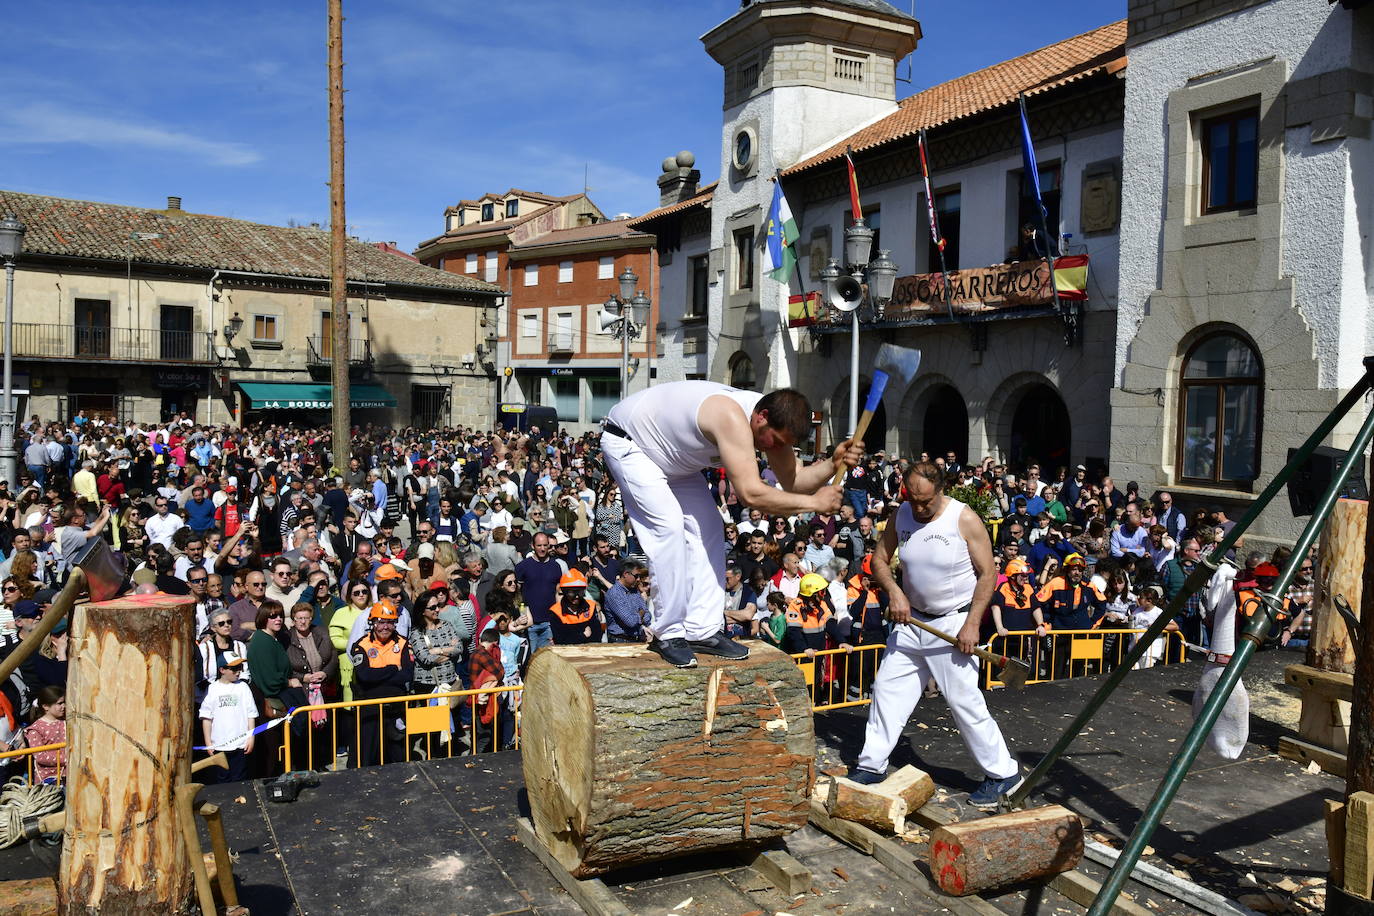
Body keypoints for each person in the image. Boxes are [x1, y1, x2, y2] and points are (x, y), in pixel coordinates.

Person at [601, 383, 858, 668]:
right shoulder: (730, 416)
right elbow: (750, 494)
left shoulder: (772, 425)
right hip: (632, 444)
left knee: (710, 528)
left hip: (675, 460)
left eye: (782, 444)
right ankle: (668, 634)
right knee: (668, 529)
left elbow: (793, 480)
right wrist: (814, 504)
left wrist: (832, 465)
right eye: (772, 440)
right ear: (761, 416)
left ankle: (702, 630)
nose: (772, 449)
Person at [849, 461, 1021, 809]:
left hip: (953, 623)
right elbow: (879, 560)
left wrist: (972, 623)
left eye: (925, 500)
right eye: (912, 499)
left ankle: (1004, 774)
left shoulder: (964, 518)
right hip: (911, 622)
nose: (919, 507)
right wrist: (895, 593)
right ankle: (871, 765)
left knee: (963, 701)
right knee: (887, 691)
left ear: (941, 489)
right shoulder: (901, 516)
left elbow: (988, 574)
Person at [349, 602, 414, 767]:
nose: (385, 627)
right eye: (381, 622)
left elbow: (407, 674)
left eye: (390, 622)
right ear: (372, 623)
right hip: (370, 710)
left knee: (399, 757)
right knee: (366, 758)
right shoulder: (361, 645)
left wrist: (378, 675)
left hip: (395, 709)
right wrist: (393, 669)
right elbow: (364, 676)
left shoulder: (403, 643)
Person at [197, 655, 255, 783]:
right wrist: (208, 742)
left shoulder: (243, 687)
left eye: (240, 667)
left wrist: (251, 737)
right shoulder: (212, 689)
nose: (238, 671)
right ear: (222, 670)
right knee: (222, 779)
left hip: (241, 744)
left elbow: (251, 714)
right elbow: (206, 717)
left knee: (239, 778)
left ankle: (240, 801)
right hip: (219, 745)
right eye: (234, 668)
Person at [24, 685, 67, 784]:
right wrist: (66, 758)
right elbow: (40, 756)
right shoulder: (35, 729)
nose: (63, 706)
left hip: (68, 775)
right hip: (49, 780)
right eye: (59, 703)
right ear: (46, 706)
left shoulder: (66, 722)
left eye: (64, 702)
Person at [548, 568, 603, 645]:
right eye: (572, 592)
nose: (577, 596)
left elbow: (597, 635)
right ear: (565, 592)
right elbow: (561, 640)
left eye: (580, 592)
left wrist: (573, 635)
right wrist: (583, 635)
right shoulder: (555, 611)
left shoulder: (591, 606)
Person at [603, 561, 649, 642]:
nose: (638, 579)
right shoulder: (614, 594)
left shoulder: (635, 591)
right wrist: (640, 613)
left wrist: (639, 615)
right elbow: (630, 621)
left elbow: (648, 617)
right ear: (626, 574)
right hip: (620, 640)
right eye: (636, 576)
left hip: (637, 638)